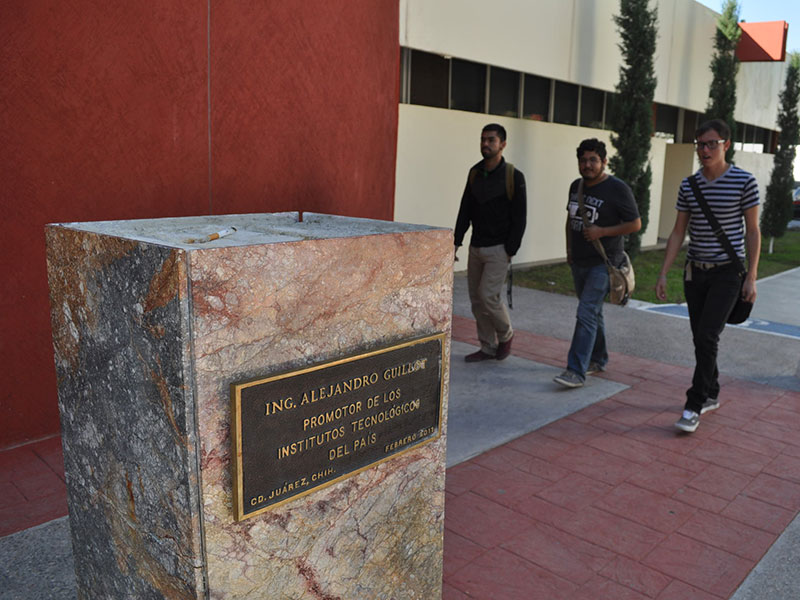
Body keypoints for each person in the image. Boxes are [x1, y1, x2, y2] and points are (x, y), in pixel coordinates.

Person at [656, 119, 760, 433]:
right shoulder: (689, 185)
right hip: (695, 273)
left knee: (707, 336)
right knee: (700, 337)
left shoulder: (744, 181)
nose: (704, 150)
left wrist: (751, 276)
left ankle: (694, 403)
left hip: (728, 273)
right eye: (700, 144)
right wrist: (663, 273)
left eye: (711, 144)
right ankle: (712, 390)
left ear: (726, 145)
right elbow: (677, 232)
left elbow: (753, 231)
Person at [554, 138, 641, 388]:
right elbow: (570, 219)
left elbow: (635, 224)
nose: (587, 165)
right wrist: (569, 249)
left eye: (593, 160)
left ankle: (575, 371)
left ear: (604, 162)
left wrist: (602, 232)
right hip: (579, 261)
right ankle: (598, 358)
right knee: (593, 312)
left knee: (586, 312)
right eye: (583, 160)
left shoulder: (617, 188)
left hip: (604, 262)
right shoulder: (576, 186)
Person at [454, 124, 527, 362]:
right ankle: (487, 346)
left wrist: (510, 249)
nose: (485, 144)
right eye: (483, 139)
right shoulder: (475, 172)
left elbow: (520, 217)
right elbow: (465, 208)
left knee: (488, 296)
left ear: (502, 144)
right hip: (476, 247)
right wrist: (457, 240)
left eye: (491, 140)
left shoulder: (513, 177)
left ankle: (505, 335)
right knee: (476, 301)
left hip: (499, 249)